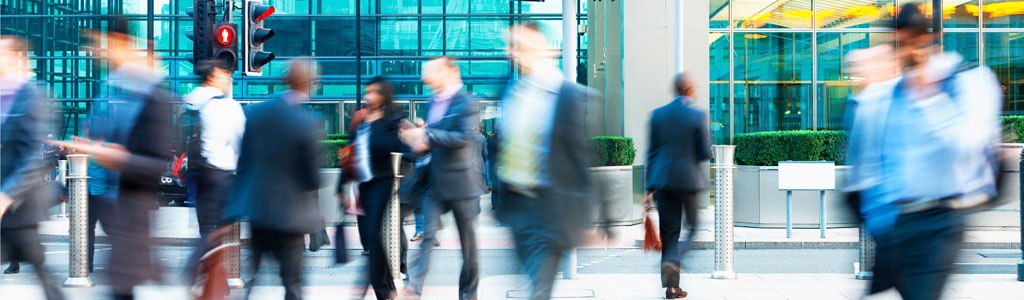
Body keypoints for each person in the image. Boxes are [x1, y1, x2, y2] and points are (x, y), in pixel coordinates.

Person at [845, 4, 1002, 300]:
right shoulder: (887, 96)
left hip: (941, 219)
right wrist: (879, 225)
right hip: (896, 224)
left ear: (934, 40)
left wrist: (929, 96)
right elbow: (870, 166)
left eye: (912, 42)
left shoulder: (972, 83)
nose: (905, 53)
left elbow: (966, 147)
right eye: (898, 45)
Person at [53, 20, 174, 300]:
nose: (94, 51)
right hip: (113, 205)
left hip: (131, 213)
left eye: (98, 43)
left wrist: (115, 157)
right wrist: (90, 145)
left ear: (119, 42)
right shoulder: (111, 88)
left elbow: (154, 164)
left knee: (123, 289)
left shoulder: (150, 95)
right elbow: (101, 137)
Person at [491, 22, 594, 300]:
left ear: (544, 49)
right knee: (532, 283)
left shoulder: (567, 95)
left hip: (551, 208)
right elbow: (503, 148)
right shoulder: (511, 91)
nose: (513, 52)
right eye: (512, 46)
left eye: (521, 45)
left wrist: (592, 217)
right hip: (517, 207)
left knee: (539, 288)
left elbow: (580, 157)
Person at [222, 58, 324, 300]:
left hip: (259, 213)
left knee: (252, 280)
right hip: (291, 218)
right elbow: (312, 178)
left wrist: (233, 209)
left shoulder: (256, 112)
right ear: (312, 84)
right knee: (292, 284)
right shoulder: (307, 123)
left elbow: (244, 164)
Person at [400, 56, 485, 300]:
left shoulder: (466, 102)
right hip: (434, 183)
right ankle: (414, 289)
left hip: (461, 185)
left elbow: (462, 139)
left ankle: (468, 295)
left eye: (430, 72)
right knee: (427, 237)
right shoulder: (430, 101)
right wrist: (416, 140)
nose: (423, 77)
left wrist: (427, 134)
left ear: (447, 72)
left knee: (469, 249)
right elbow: (429, 141)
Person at [0, 36, 66, 300]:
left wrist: (7, 196)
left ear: (19, 57)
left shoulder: (34, 94)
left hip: (19, 205)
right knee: (40, 270)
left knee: (41, 271)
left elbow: (32, 156)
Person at [336, 76, 409, 300]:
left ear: (384, 94)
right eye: (368, 91)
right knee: (370, 237)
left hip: (382, 181)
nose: (369, 96)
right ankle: (387, 286)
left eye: (374, 92)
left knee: (371, 233)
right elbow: (350, 152)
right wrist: (341, 185)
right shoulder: (362, 119)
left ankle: (383, 290)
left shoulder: (392, 120)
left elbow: (402, 149)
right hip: (363, 183)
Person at [644, 73, 712, 299]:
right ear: (690, 90)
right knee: (693, 227)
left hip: (662, 181)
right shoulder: (697, 115)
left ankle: (671, 288)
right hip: (688, 181)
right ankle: (674, 260)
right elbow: (705, 152)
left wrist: (647, 188)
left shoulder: (657, 115)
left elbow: (651, 152)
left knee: (669, 231)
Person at [182, 59, 246, 284]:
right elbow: (241, 142)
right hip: (221, 173)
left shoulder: (189, 100)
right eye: (224, 75)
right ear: (212, 77)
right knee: (222, 227)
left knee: (206, 226)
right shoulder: (227, 106)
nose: (228, 80)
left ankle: (214, 281)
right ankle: (193, 267)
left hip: (197, 173)